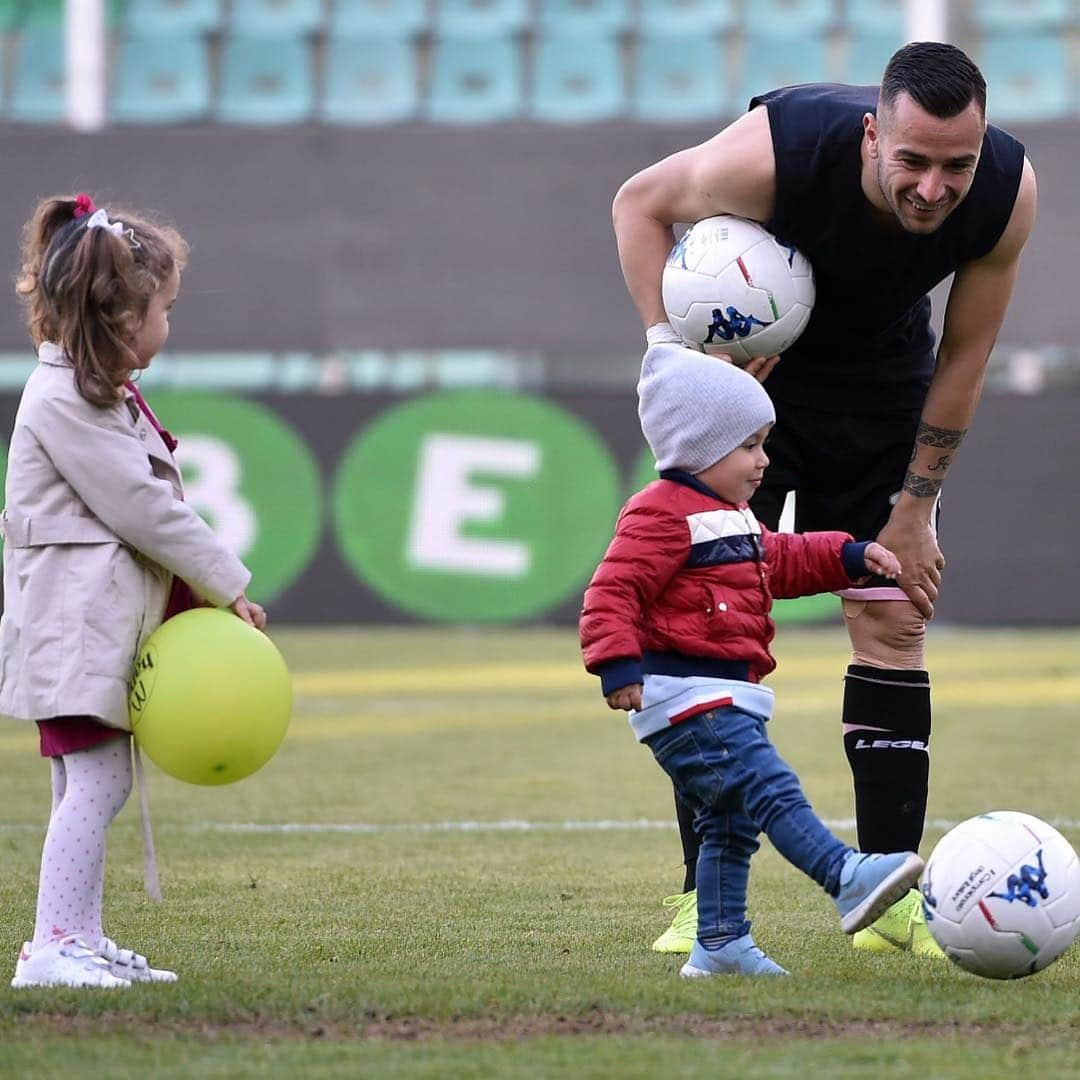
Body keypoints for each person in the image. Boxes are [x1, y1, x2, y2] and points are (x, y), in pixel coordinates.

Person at [611, 41, 1037, 957]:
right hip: (741, 387)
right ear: (873, 133)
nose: (932, 188)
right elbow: (638, 204)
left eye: (954, 165)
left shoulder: (1006, 191)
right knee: (705, 636)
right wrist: (670, 353)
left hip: (883, 388)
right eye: (912, 163)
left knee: (893, 616)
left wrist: (917, 505)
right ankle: (703, 902)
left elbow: (965, 354)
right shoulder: (780, 150)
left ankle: (892, 901)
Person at [580, 344, 923, 976]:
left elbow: (780, 560)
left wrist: (848, 555)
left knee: (730, 825)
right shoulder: (659, 511)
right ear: (700, 445)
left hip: (725, 693)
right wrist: (617, 665)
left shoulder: (729, 514)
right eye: (750, 446)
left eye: (766, 443)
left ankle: (720, 944)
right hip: (687, 699)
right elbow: (612, 590)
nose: (765, 461)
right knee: (769, 787)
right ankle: (843, 874)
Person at [2, 193, 266, 989]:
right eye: (164, 310)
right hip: (73, 625)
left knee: (84, 780)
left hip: (92, 622)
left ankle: (76, 935)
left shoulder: (91, 395)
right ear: (120, 318)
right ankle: (51, 945)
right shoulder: (64, 403)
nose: (168, 326)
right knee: (99, 779)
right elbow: (144, 507)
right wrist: (226, 586)